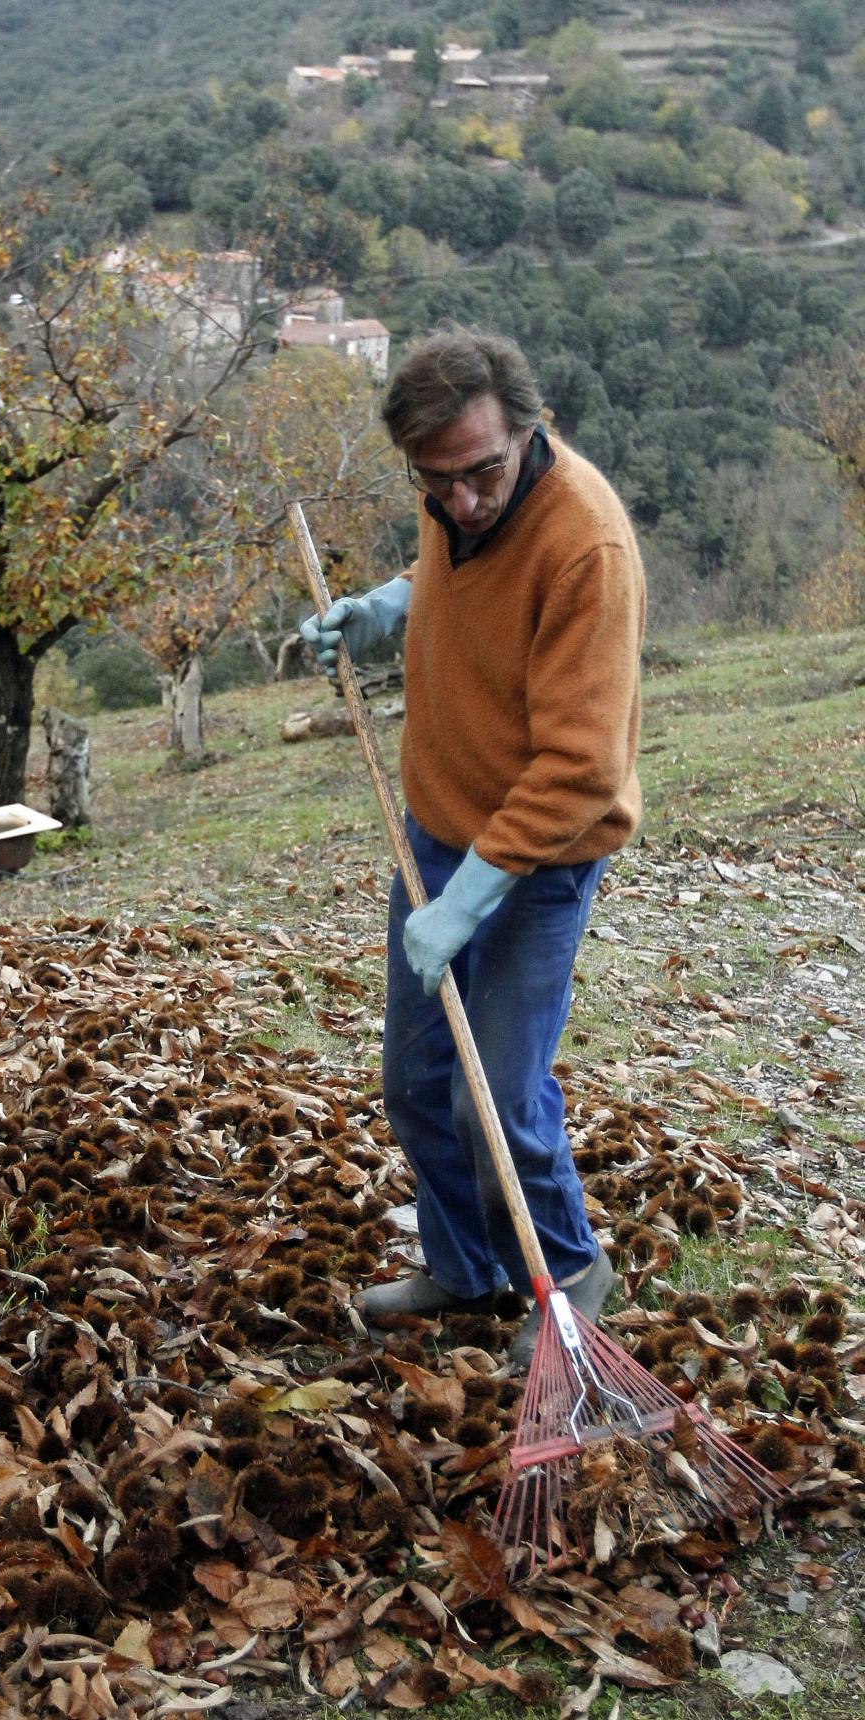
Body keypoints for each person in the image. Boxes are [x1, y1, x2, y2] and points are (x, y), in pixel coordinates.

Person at [300, 326, 646, 1369]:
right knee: (415, 1085)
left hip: (537, 861)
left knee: (493, 1090)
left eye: (481, 474)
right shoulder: (457, 489)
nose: (461, 502)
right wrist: (383, 611)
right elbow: (450, 579)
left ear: (529, 432)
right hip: (436, 837)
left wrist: (473, 897)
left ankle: (573, 1275)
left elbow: (583, 766)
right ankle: (463, 1266)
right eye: (434, 480)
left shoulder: (586, 546)